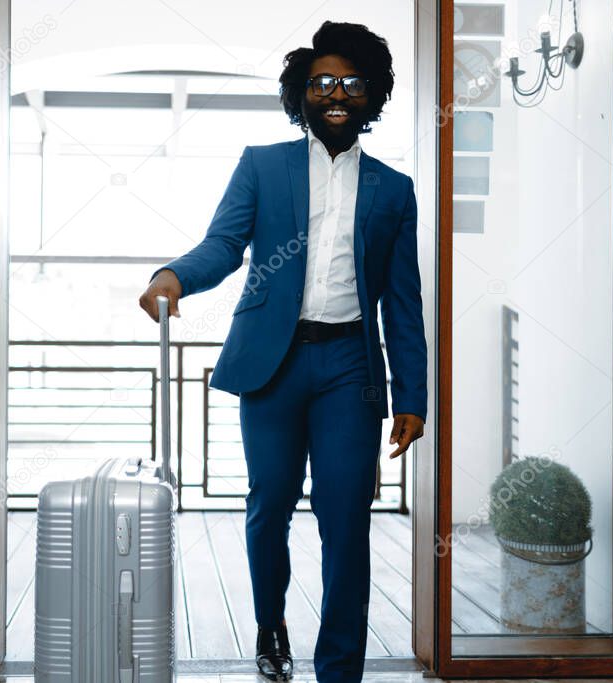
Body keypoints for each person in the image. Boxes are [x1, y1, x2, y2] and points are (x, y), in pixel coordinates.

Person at [138, 20, 427, 683]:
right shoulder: (262, 166)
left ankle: (339, 668)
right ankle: (270, 626)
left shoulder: (394, 190)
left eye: (351, 83)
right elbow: (222, 245)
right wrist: (173, 275)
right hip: (274, 363)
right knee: (269, 504)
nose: (335, 93)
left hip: (350, 367)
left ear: (372, 96)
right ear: (300, 92)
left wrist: (411, 394)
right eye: (321, 81)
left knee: (346, 516)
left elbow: (403, 303)